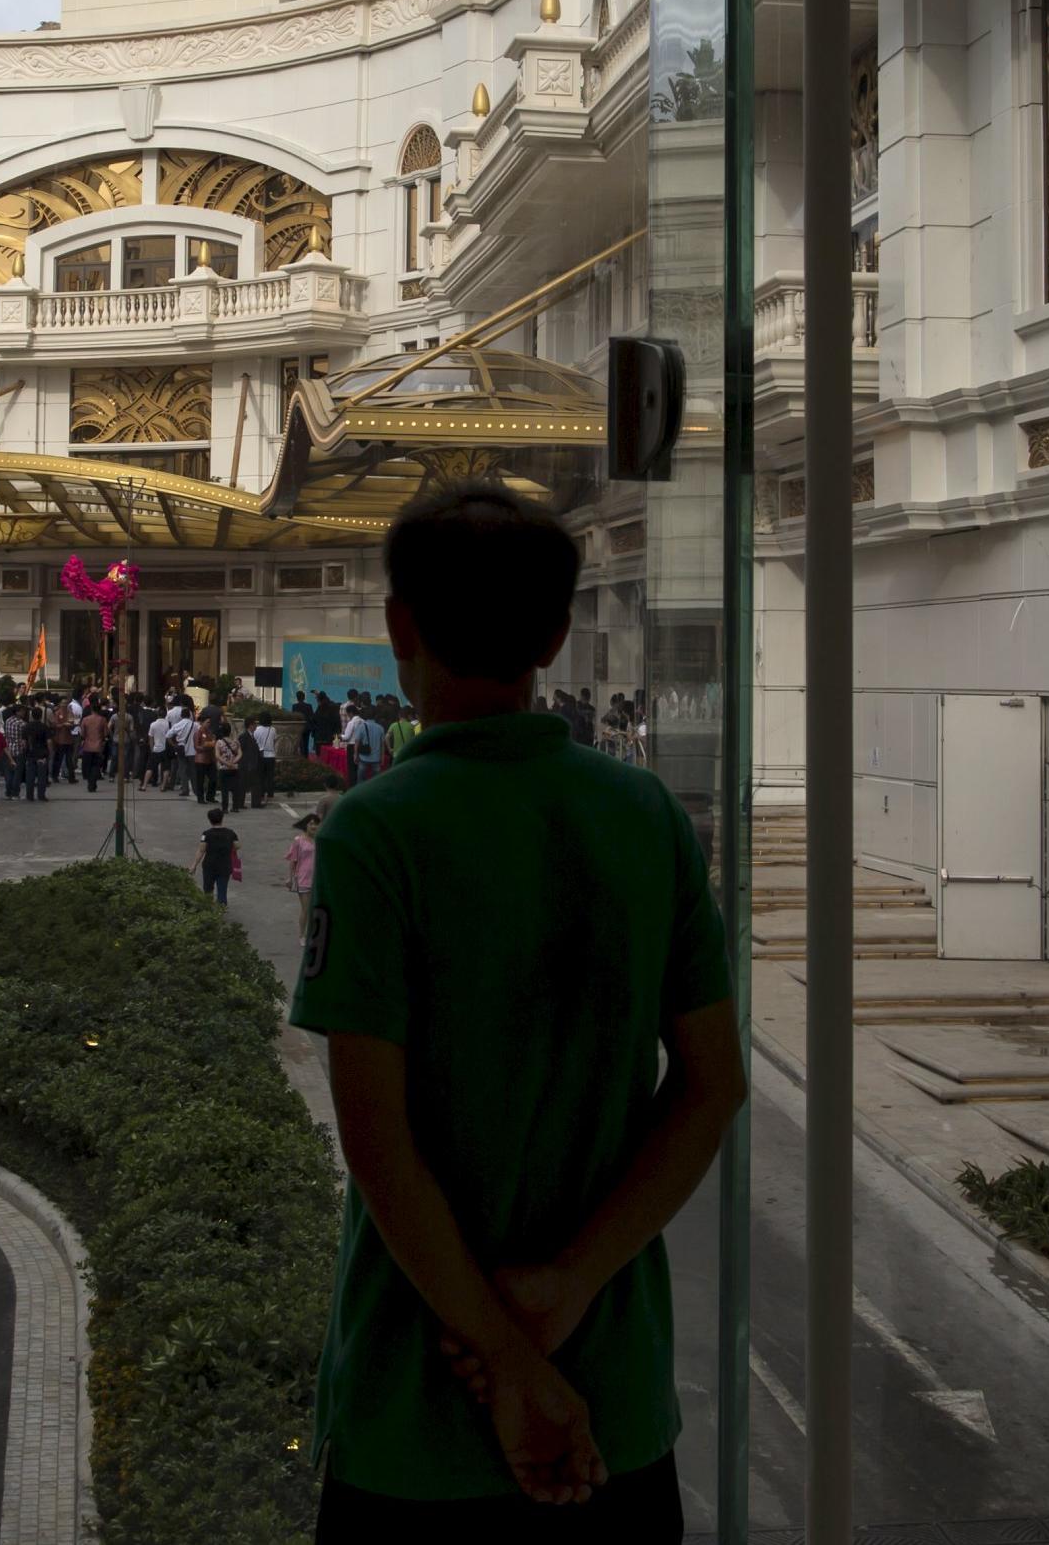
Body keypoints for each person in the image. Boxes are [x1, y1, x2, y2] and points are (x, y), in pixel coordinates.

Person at [288, 485, 743, 1536]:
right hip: (611, 1404)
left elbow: (377, 1140)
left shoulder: (374, 832)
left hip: (416, 1415)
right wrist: (565, 1287)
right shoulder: (646, 815)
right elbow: (713, 1086)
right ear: (554, 634)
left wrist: (498, 1354)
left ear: (401, 626)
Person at [199, 807, 242, 909]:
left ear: (210, 820)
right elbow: (237, 845)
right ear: (222, 819)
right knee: (222, 889)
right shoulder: (231, 833)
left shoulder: (206, 834)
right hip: (225, 866)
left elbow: (202, 848)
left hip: (209, 866)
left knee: (208, 889)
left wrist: (194, 865)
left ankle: (208, 909)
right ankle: (221, 909)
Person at [284, 810, 319, 903]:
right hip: (302, 879)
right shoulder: (298, 840)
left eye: (316, 824)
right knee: (306, 910)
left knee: (313, 911)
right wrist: (290, 878)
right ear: (306, 825)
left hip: (316, 879)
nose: (313, 826)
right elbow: (293, 860)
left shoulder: (319, 840)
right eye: (311, 824)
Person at [248, 712, 280, 809]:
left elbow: (254, 741)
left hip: (260, 755)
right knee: (269, 776)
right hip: (271, 755)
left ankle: (261, 794)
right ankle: (270, 794)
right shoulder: (273, 729)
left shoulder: (257, 730)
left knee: (260, 776)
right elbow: (274, 741)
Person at [79, 696, 110, 792]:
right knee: (96, 765)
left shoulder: (85, 720)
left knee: (88, 765)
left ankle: (90, 782)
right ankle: (93, 782)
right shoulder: (102, 720)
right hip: (98, 745)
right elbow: (106, 733)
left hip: (88, 745)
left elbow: (82, 733)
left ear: (92, 709)